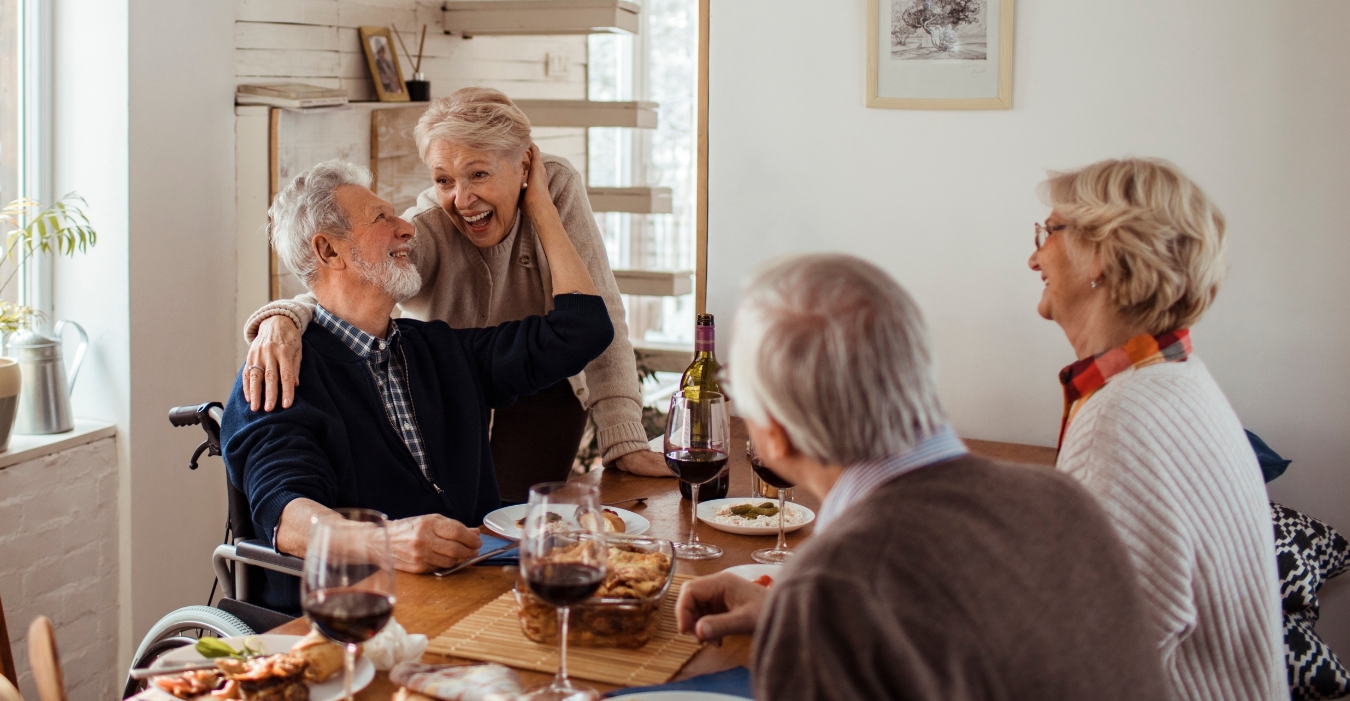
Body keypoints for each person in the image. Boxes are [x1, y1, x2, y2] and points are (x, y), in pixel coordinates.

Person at [676, 254, 1168, 701]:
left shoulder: (833, 592)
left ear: (774, 434)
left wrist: (806, 613)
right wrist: (789, 607)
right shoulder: (1065, 500)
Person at [219, 160, 613, 613]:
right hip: (356, 620)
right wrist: (386, 542)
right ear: (329, 251)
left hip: (477, 601)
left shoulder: (440, 350)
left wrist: (541, 207)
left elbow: (581, 331)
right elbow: (286, 514)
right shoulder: (278, 372)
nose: (407, 228)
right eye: (381, 219)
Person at [240, 88, 671, 502]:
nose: (462, 199)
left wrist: (624, 438)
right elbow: (354, 279)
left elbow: (598, 317)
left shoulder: (553, 187)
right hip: (447, 381)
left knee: (515, 512)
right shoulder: (422, 226)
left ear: (524, 167)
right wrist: (285, 316)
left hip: (533, 367)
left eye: (479, 173)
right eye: (443, 179)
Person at [1027, 158, 1284, 701]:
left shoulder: (1122, 419)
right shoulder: (1173, 379)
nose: (1033, 258)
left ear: (1101, 254)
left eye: (1049, 232)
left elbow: (1080, 673)